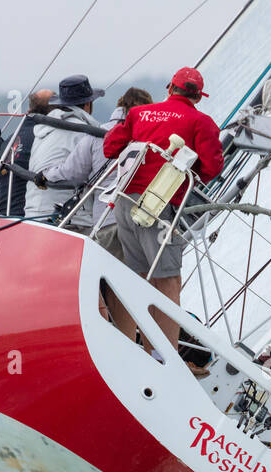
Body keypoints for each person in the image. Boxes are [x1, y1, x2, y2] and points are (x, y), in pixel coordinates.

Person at [102, 67, 224, 358]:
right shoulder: (201, 121)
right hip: (156, 206)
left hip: (124, 201)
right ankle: (164, 357)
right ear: (197, 97)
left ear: (170, 88)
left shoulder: (138, 113)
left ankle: (138, 350)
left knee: (140, 275)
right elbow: (212, 168)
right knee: (168, 280)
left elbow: (110, 147)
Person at [34, 87, 153, 248]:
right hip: (143, 220)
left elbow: (72, 171)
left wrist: (46, 175)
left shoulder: (96, 134)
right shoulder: (152, 138)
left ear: (119, 106)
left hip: (106, 218)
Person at [27, 75, 104, 227]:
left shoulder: (43, 130)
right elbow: (90, 175)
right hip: (70, 219)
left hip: (32, 213)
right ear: (88, 104)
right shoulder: (86, 133)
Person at [5, 90, 53, 217]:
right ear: (53, 110)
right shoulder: (45, 138)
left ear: (30, 107)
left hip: (3, 213)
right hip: (27, 216)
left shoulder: (8, 140)